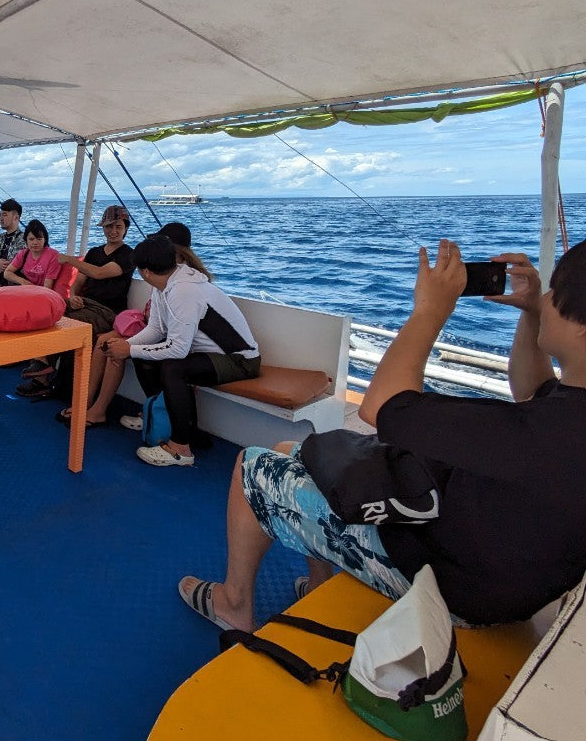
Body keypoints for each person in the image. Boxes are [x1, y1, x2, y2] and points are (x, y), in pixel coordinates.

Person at [177, 239, 586, 632]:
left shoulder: (544, 435)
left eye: (554, 293)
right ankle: (319, 585)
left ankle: (233, 604)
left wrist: (429, 312)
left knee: (254, 466)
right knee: (293, 451)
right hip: (488, 565)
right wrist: (533, 313)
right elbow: (533, 393)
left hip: (446, 582)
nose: (546, 298)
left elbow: (381, 405)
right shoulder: (565, 416)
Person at [101, 234, 259, 466]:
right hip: (208, 356)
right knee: (146, 358)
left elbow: (178, 350)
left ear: (145, 272)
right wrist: (126, 346)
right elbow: (155, 329)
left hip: (240, 360)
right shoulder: (164, 284)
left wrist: (129, 350)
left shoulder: (184, 291)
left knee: (173, 368)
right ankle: (161, 418)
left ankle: (181, 448)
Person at [58, 221, 215, 428]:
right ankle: (86, 401)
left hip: (179, 341)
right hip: (154, 328)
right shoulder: (166, 275)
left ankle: (99, 410)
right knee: (103, 343)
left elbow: (175, 335)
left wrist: (130, 347)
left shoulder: (183, 284)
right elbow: (157, 322)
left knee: (115, 348)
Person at [16, 205, 135, 399]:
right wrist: (73, 296)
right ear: (103, 228)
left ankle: (43, 366)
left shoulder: (128, 254)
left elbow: (99, 273)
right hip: (86, 304)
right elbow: (78, 283)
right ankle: (43, 371)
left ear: (125, 228)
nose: (113, 231)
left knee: (62, 320)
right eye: (109, 226)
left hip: (107, 312)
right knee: (48, 309)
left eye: (118, 227)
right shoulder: (94, 252)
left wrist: (69, 259)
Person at [3, 219, 61, 289]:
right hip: (26, 290)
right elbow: (7, 273)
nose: (35, 243)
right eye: (31, 239)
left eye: (39, 239)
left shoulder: (53, 256)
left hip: (43, 293)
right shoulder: (23, 253)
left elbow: (47, 287)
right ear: (26, 240)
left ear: (45, 239)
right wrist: (23, 282)